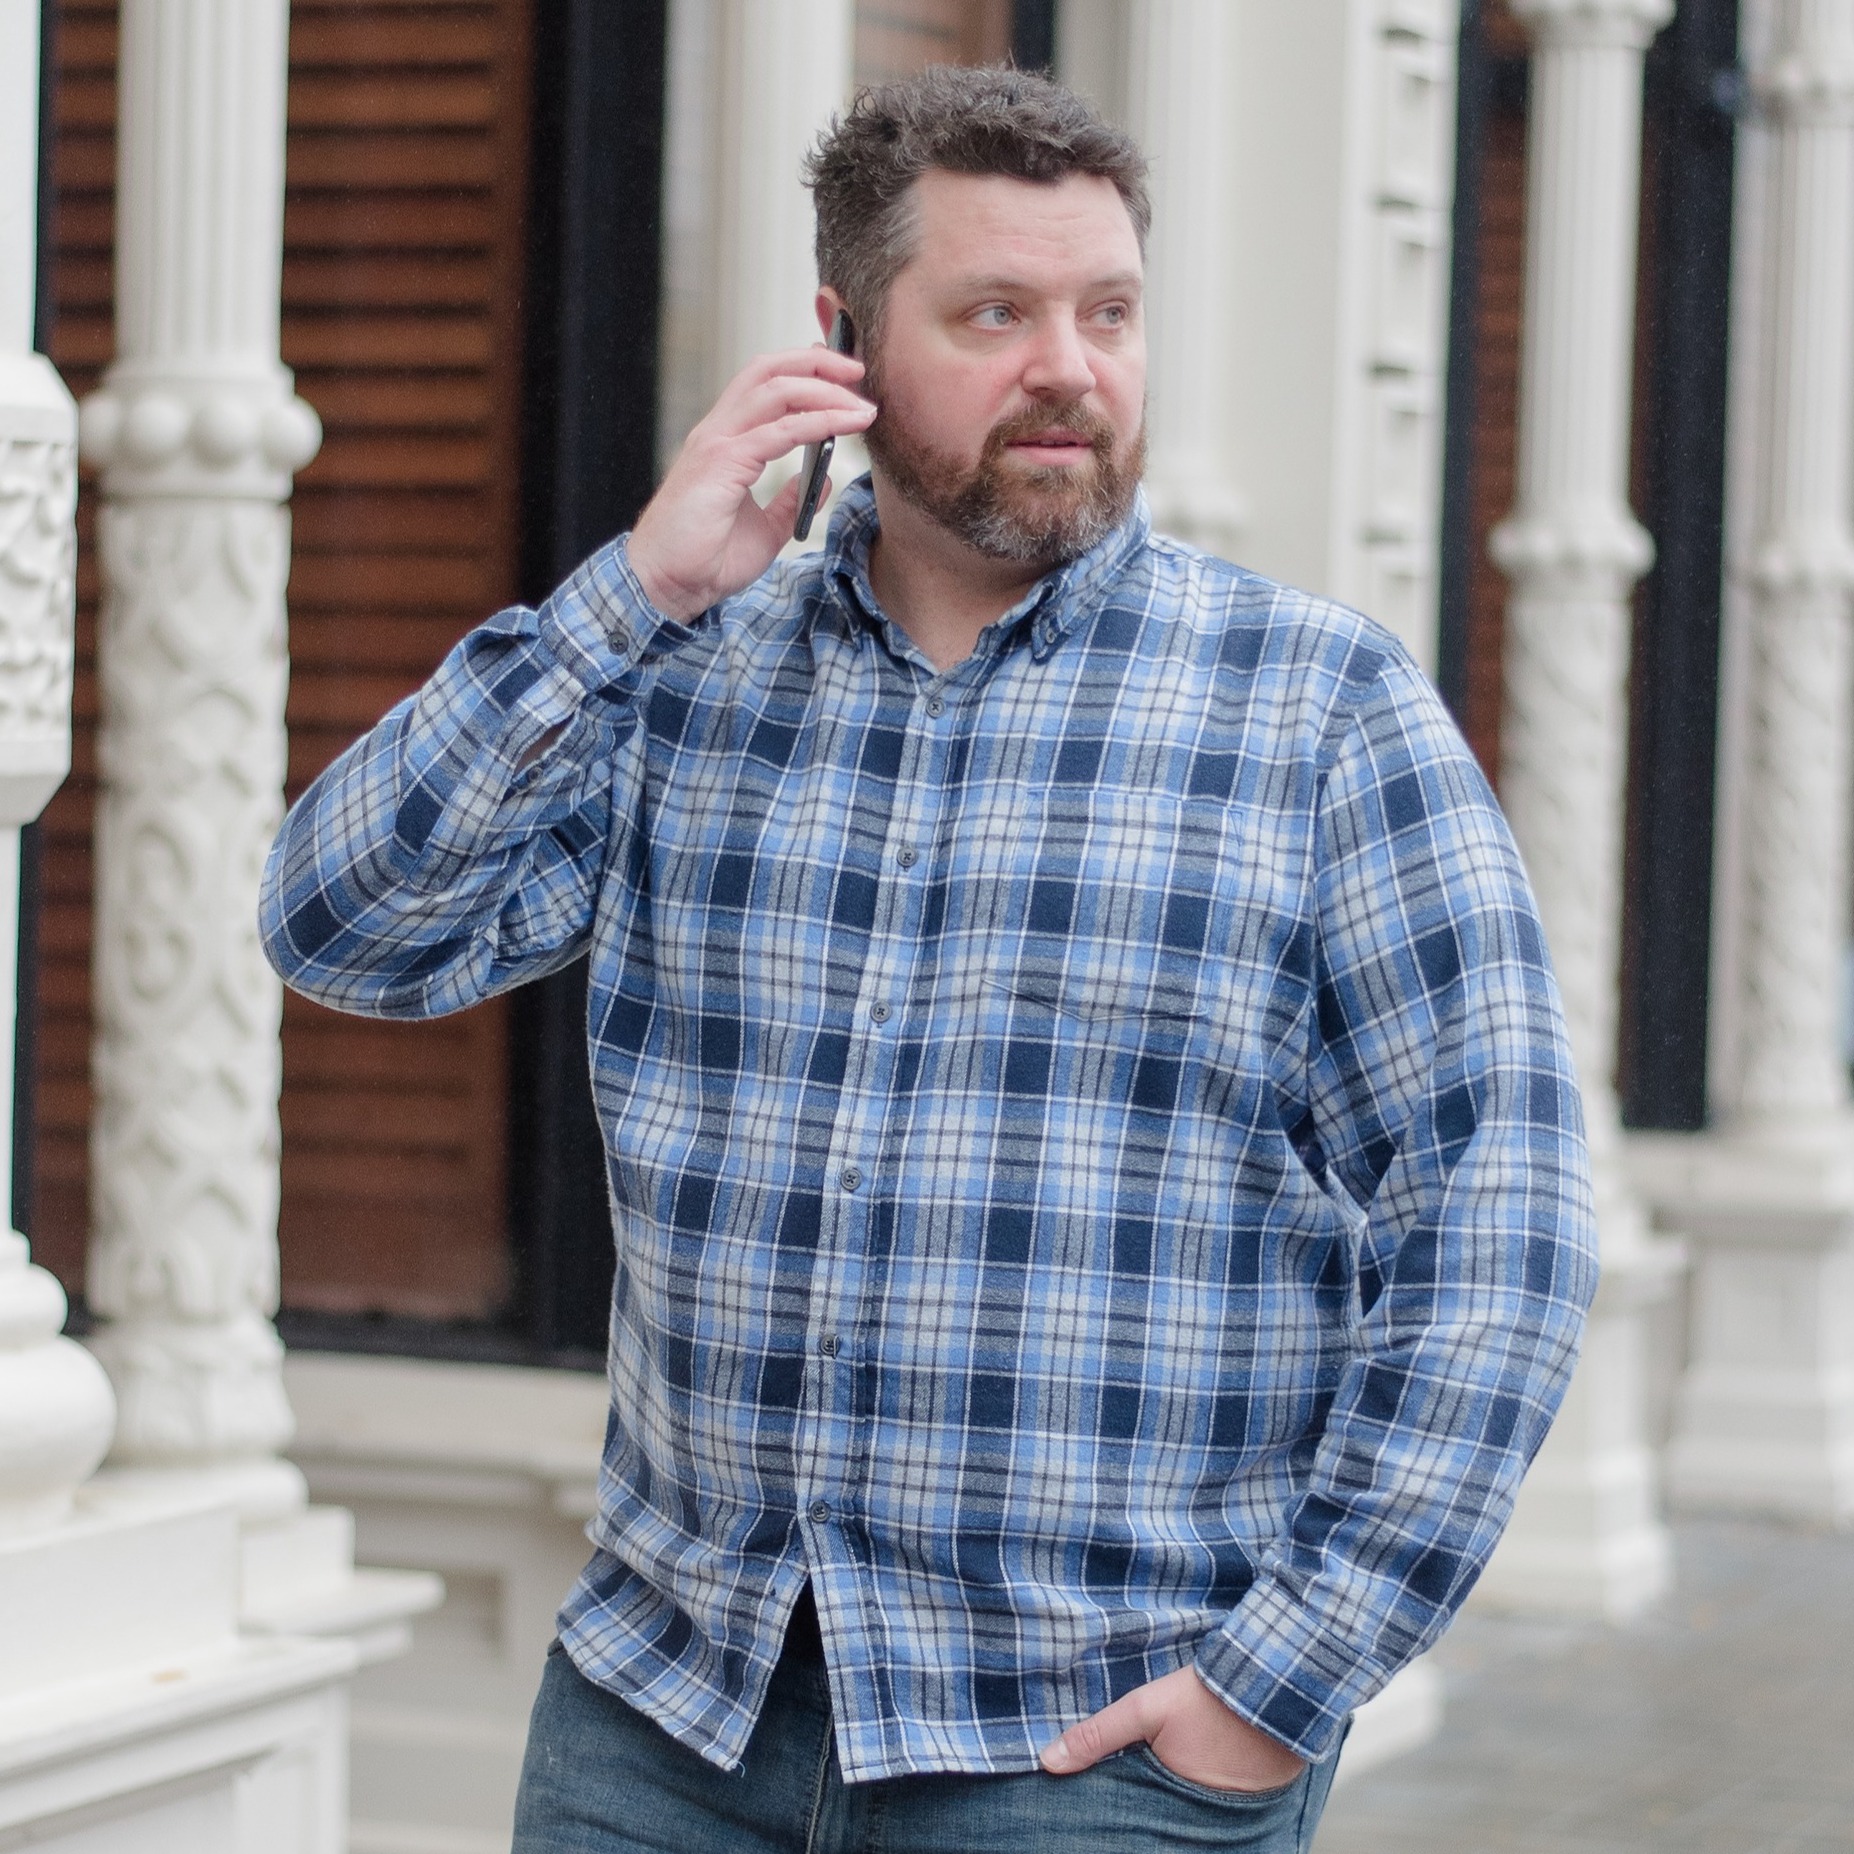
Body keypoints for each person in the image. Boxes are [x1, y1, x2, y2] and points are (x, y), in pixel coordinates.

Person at [261, 65, 1596, 1854]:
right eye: (994, 312)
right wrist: (630, 596)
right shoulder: (685, 673)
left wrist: (1280, 1679)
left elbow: (1496, 1229)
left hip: (1087, 1750)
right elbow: (345, 926)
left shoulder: (1318, 711)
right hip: (665, 1712)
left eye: (1107, 311)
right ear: (842, 342)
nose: (1070, 366)